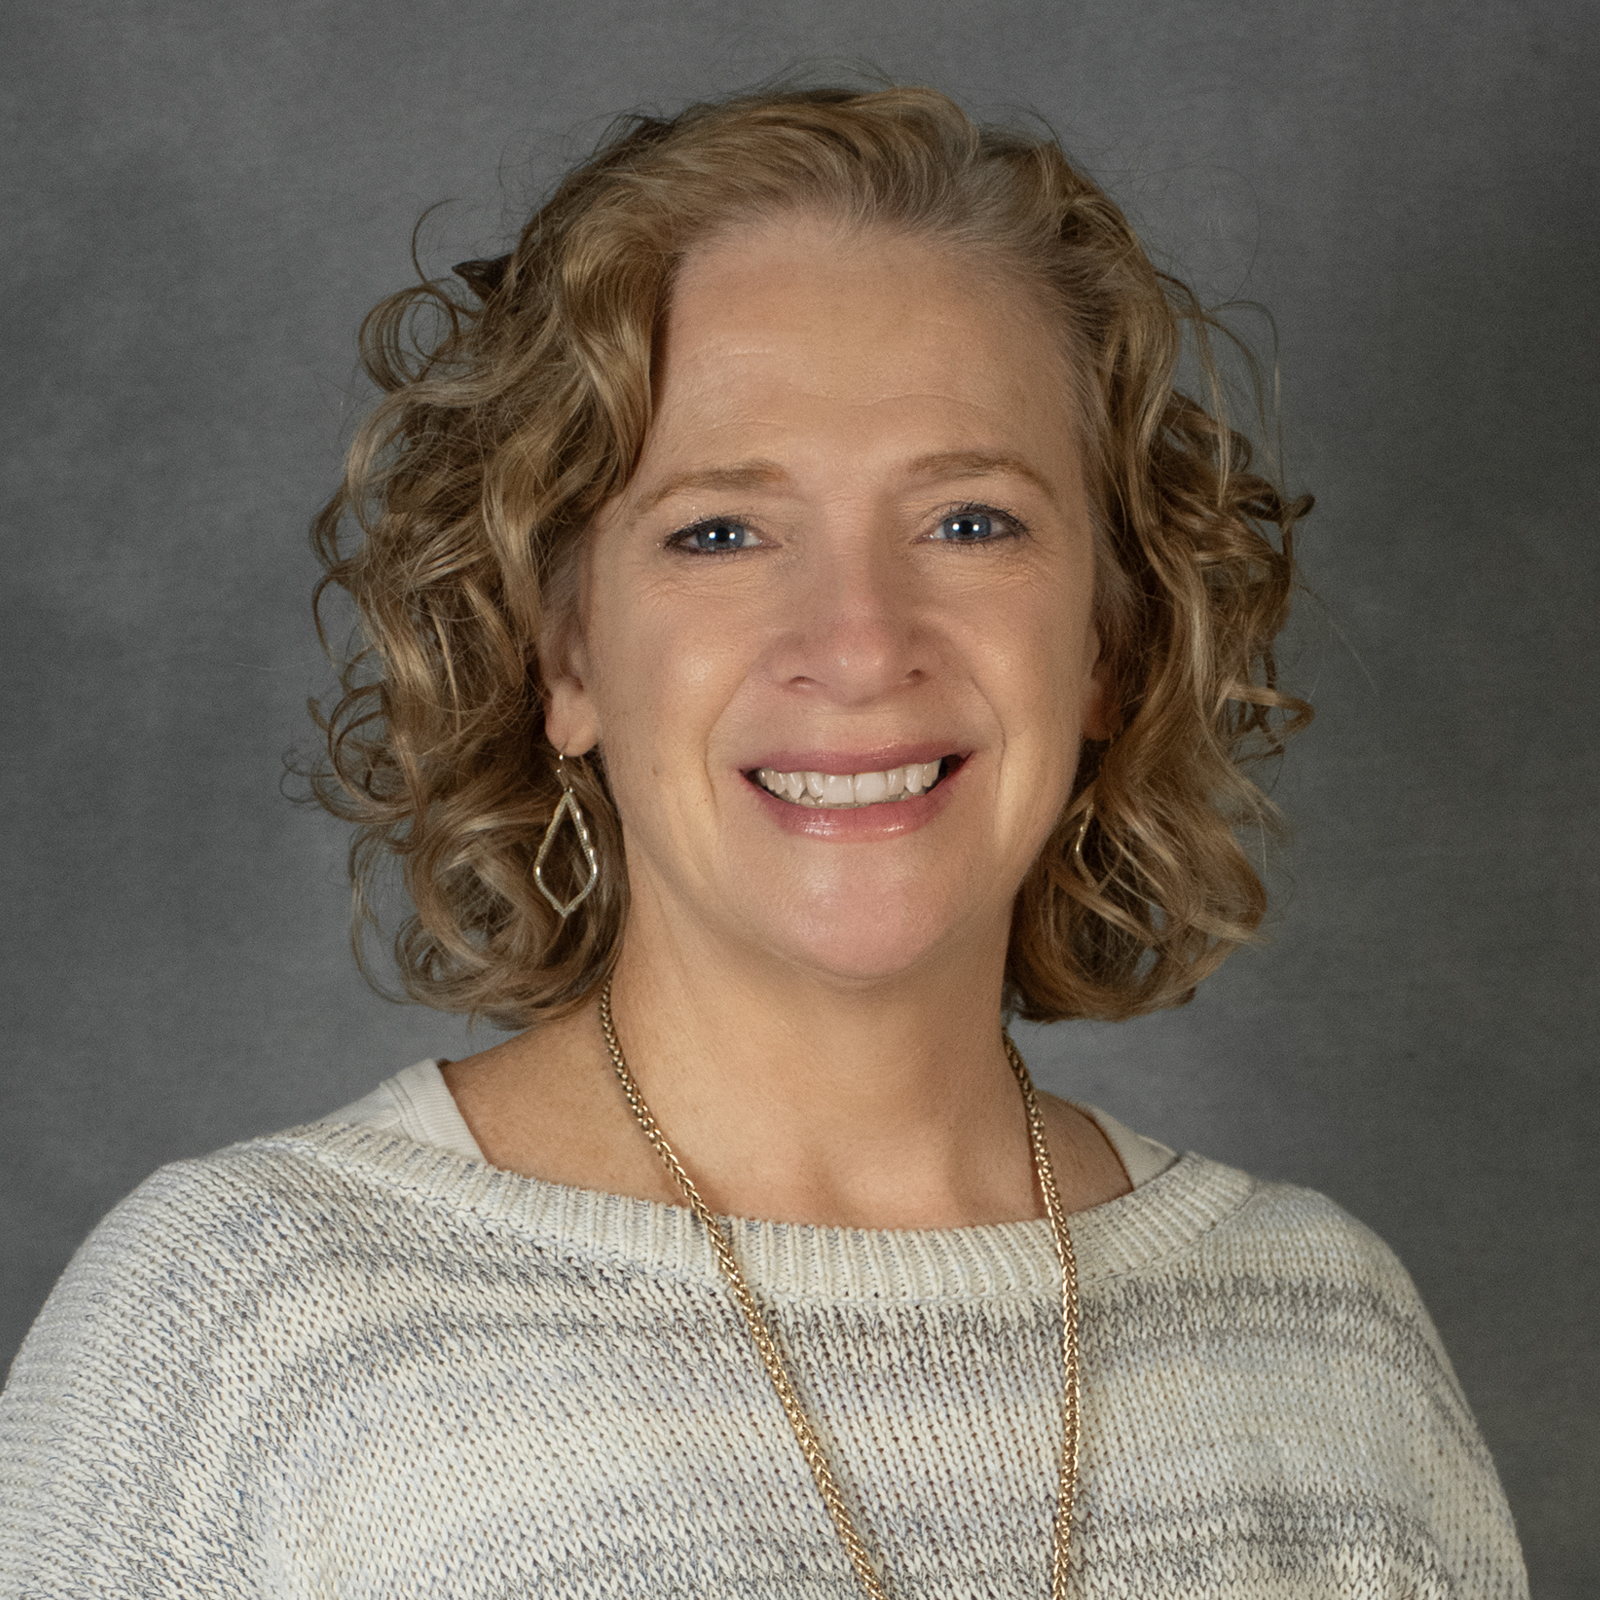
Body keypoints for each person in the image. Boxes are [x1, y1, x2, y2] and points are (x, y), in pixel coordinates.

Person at [0, 83, 1527, 1598]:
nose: (859, 645)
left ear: (1112, 641)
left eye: (972, 520)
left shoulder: (1329, 1347)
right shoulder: (244, 1323)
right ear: (568, 657)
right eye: (719, 531)